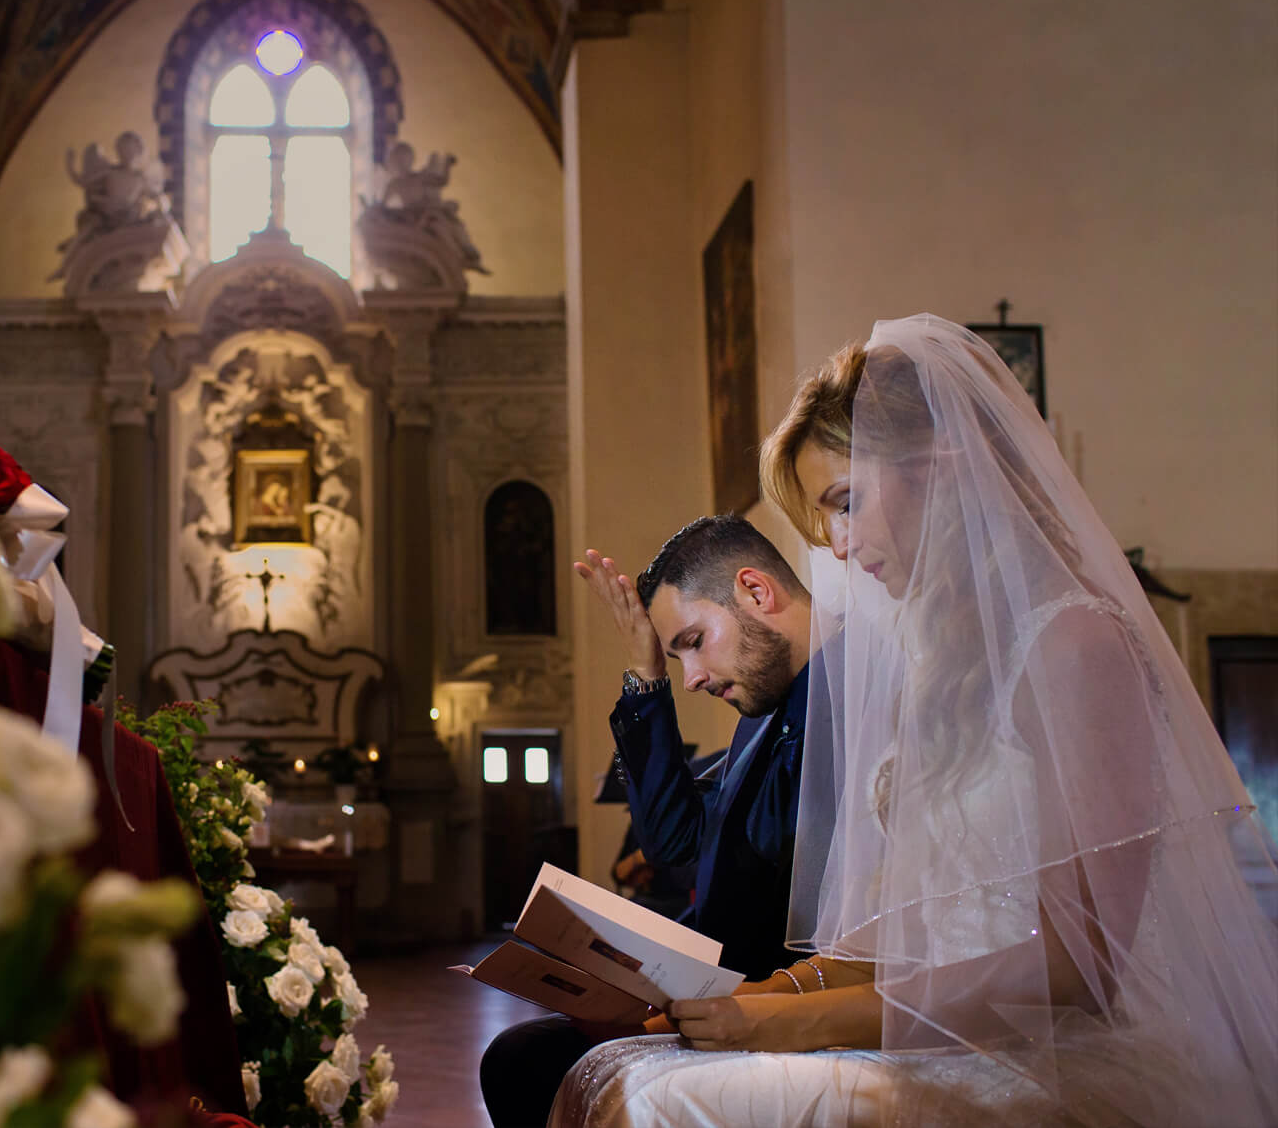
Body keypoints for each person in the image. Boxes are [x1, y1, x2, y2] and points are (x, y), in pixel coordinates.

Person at [550, 315, 1278, 1127]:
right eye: (828, 520)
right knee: (628, 1069)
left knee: (660, 1103)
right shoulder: (940, 665)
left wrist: (790, 1020)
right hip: (934, 1034)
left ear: (946, 468)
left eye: (848, 502)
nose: (841, 544)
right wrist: (763, 996)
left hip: (1048, 1055)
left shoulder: (1075, 642)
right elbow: (903, 936)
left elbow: (1080, 969)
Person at [481, 516, 817, 1127]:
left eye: (693, 640)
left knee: (524, 1061)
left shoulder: (832, 699)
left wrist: (661, 1001)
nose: (691, 678)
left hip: (769, 998)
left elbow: (772, 855)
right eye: (676, 656)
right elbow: (676, 842)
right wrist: (646, 678)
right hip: (714, 986)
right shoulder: (764, 707)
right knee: (522, 1056)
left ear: (756, 592)